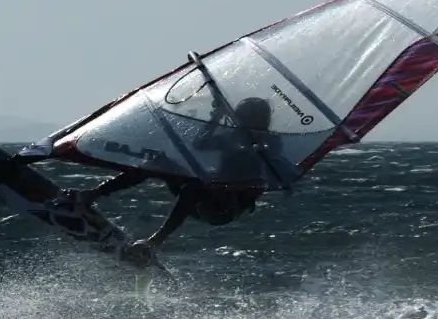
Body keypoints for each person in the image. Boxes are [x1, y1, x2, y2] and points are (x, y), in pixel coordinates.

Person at [67, 96, 282, 262]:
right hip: (207, 194)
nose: (239, 119)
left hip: (225, 208)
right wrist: (216, 117)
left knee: (195, 184)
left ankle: (155, 241)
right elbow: (201, 144)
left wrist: (255, 149)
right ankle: (92, 194)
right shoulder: (231, 136)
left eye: (244, 116)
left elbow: (268, 157)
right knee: (160, 161)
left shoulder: (271, 141)